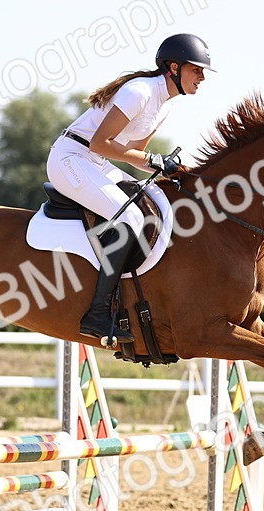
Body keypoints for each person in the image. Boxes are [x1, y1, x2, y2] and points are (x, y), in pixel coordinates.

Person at [46, 33, 214, 344]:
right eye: (197, 69)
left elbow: (135, 155)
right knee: (130, 218)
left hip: (94, 161)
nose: (202, 77)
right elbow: (100, 142)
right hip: (70, 158)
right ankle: (97, 313)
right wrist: (154, 158)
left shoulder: (165, 104)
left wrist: (173, 169)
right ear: (173, 68)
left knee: (150, 205)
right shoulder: (140, 92)